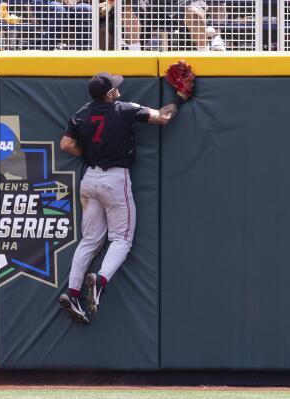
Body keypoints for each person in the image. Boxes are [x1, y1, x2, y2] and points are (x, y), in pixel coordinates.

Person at [58, 71, 193, 325]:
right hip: (114, 180)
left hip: (90, 179)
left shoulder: (83, 112)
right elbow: (162, 117)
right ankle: (101, 280)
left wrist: (88, 150)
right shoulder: (122, 108)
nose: (118, 89)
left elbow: (66, 144)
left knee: (89, 241)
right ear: (109, 94)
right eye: (114, 87)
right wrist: (180, 99)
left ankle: (73, 293)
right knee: (121, 239)